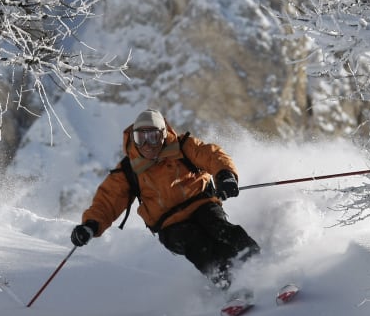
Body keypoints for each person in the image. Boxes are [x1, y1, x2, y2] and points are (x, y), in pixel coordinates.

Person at [70, 109, 260, 289]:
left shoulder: (183, 147)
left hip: (201, 204)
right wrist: (91, 225)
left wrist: (225, 175)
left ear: (163, 135)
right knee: (196, 243)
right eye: (141, 138)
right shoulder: (129, 170)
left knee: (220, 229)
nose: (147, 145)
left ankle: (259, 265)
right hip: (169, 224)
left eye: (153, 137)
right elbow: (108, 200)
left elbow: (211, 155)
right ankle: (228, 281)